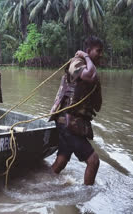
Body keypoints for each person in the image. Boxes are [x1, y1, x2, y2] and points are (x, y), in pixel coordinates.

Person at [49, 36, 103, 185]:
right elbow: (89, 76)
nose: (101, 54)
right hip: (67, 122)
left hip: (74, 124)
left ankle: (42, 185)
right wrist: (85, 57)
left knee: (61, 161)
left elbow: (97, 106)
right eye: (98, 51)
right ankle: (86, 201)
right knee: (93, 161)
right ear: (88, 51)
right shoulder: (77, 63)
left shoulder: (93, 72)